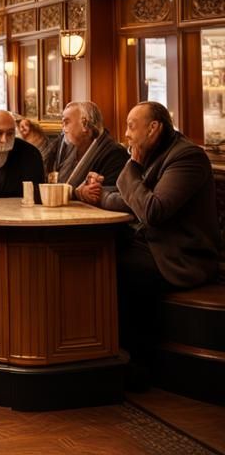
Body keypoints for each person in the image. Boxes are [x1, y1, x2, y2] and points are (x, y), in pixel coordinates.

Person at [97, 101, 220, 383]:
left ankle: (138, 364)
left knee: (121, 267)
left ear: (153, 128)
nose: (126, 134)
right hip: (153, 245)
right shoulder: (154, 153)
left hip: (183, 256)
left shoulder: (187, 157)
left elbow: (152, 211)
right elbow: (133, 201)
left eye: (131, 126)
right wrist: (100, 196)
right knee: (98, 256)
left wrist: (131, 167)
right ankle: (101, 352)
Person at [56, 102, 128, 201]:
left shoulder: (115, 154)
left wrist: (84, 192)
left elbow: (110, 193)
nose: (63, 129)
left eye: (66, 122)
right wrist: (78, 192)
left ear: (85, 124)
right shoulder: (67, 149)